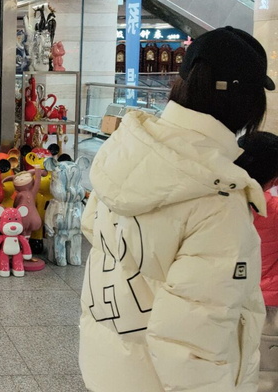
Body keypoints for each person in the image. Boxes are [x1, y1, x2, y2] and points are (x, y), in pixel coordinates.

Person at [79, 26, 273, 391]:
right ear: (248, 102)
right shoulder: (215, 196)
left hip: (107, 363)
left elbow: (94, 230)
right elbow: (191, 345)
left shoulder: (125, 149)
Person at [235, 131, 278, 392]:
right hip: (268, 307)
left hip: (224, 299)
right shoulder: (272, 210)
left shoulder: (211, 205)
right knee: (266, 376)